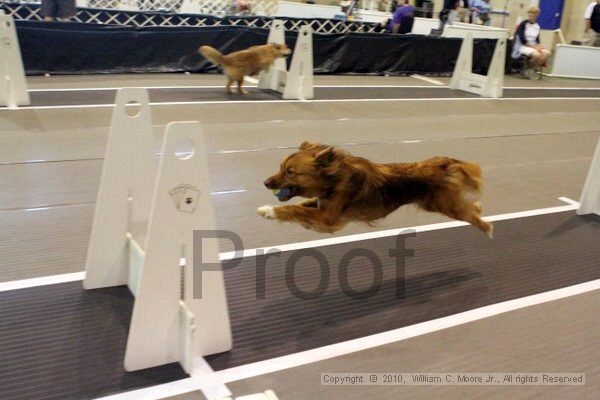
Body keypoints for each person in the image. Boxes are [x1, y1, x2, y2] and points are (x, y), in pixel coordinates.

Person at [512, 7, 551, 79]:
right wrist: (534, 48)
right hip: (523, 45)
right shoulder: (523, 24)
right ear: (528, 14)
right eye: (530, 14)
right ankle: (526, 70)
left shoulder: (537, 26)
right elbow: (522, 39)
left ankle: (531, 69)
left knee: (547, 53)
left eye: (534, 14)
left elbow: (537, 40)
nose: (532, 16)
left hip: (534, 45)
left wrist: (539, 47)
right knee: (537, 55)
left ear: (537, 15)